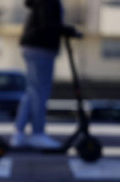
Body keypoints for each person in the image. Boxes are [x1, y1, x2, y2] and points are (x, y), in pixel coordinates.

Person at [11, 0, 79, 150]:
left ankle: (19, 134)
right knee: (40, 92)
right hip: (41, 47)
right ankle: (37, 133)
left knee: (32, 92)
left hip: (35, 46)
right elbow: (47, 24)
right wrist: (69, 31)